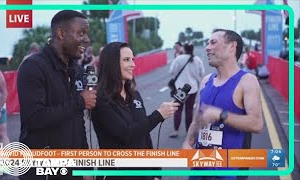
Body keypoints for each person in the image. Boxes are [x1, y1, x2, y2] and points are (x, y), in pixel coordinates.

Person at [17, 10, 96, 180]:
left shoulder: (77, 69)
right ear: (61, 33)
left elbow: (78, 121)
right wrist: (80, 102)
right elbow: (35, 118)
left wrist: (86, 164)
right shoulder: (32, 67)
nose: (87, 40)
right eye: (81, 33)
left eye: (86, 34)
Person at [182, 29, 263, 180]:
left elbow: (257, 124)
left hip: (228, 171)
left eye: (213, 42)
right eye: (207, 43)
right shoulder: (206, 80)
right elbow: (196, 120)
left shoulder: (247, 81)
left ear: (232, 47)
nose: (207, 47)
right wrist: (188, 142)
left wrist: (221, 114)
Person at [91, 42, 180, 180]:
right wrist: (158, 115)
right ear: (112, 64)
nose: (133, 64)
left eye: (132, 59)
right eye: (126, 60)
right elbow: (127, 134)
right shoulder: (101, 99)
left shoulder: (134, 95)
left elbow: (144, 135)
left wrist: (156, 171)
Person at [169, 43, 205, 138]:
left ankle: (176, 131)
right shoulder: (197, 60)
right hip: (192, 88)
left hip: (181, 88)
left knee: (178, 109)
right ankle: (188, 131)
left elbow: (171, 71)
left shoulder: (179, 58)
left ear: (184, 49)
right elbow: (202, 72)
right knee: (189, 110)